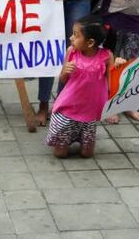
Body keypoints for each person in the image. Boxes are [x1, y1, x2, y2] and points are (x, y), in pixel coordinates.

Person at [45, 15, 120, 159]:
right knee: (60, 154)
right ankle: (64, 141)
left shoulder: (106, 56)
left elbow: (112, 83)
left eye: (75, 35)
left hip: (90, 112)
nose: (71, 38)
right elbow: (63, 79)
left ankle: (79, 140)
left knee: (87, 154)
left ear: (90, 42)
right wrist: (65, 71)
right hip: (69, 109)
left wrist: (119, 67)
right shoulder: (71, 52)